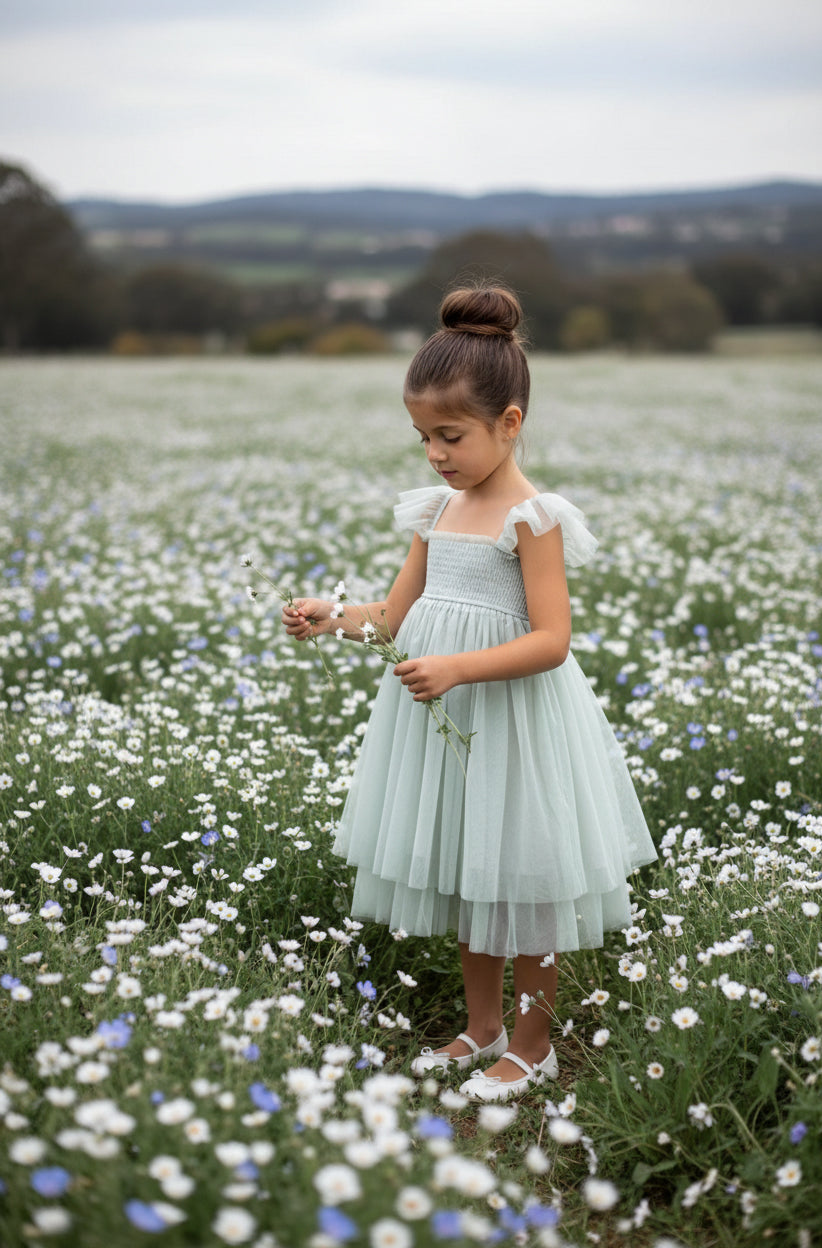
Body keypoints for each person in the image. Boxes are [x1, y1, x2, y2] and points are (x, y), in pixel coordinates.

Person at [282, 285, 657, 1101]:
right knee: (468, 865)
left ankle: (532, 1044)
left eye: (450, 436)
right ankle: (481, 1027)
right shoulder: (436, 511)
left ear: (509, 423)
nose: (435, 454)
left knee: (524, 873)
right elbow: (392, 617)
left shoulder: (533, 517)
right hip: (447, 722)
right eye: (423, 437)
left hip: (515, 719)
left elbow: (552, 641)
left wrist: (455, 667)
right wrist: (330, 614)